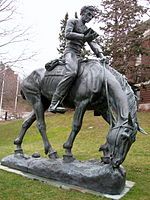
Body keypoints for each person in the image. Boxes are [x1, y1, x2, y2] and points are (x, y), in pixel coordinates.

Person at [49, 5, 105, 113]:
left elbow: (93, 44)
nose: (90, 17)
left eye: (92, 16)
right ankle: (54, 103)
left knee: (94, 71)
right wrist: (83, 37)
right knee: (71, 73)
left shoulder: (87, 29)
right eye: (89, 14)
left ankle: (98, 104)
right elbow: (67, 34)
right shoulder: (72, 21)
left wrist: (102, 56)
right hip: (70, 53)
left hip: (79, 56)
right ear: (82, 13)